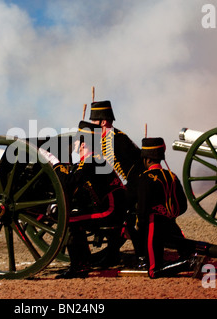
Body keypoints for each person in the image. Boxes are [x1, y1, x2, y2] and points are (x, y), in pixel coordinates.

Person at [54, 121, 127, 279]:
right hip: (114, 207)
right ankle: (92, 260)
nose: (74, 143)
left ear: (83, 143)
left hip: (110, 209)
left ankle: (79, 266)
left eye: (77, 140)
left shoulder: (90, 161)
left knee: (70, 220)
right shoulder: (95, 159)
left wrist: (56, 166)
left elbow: (69, 183)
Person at [89, 100, 143, 261]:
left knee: (113, 205)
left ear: (103, 122)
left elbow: (127, 169)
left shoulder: (114, 140)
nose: (92, 124)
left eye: (94, 121)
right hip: (128, 185)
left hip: (134, 186)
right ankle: (112, 249)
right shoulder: (109, 137)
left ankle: (120, 251)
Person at [135, 137, 194, 279]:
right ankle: (187, 260)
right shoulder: (172, 176)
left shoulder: (145, 177)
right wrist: (170, 214)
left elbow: (142, 209)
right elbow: (183, 205)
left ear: (147, 159)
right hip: (171, 224)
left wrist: (139, 227)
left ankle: (188, 263)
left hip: (153, 225)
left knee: (153, 271)